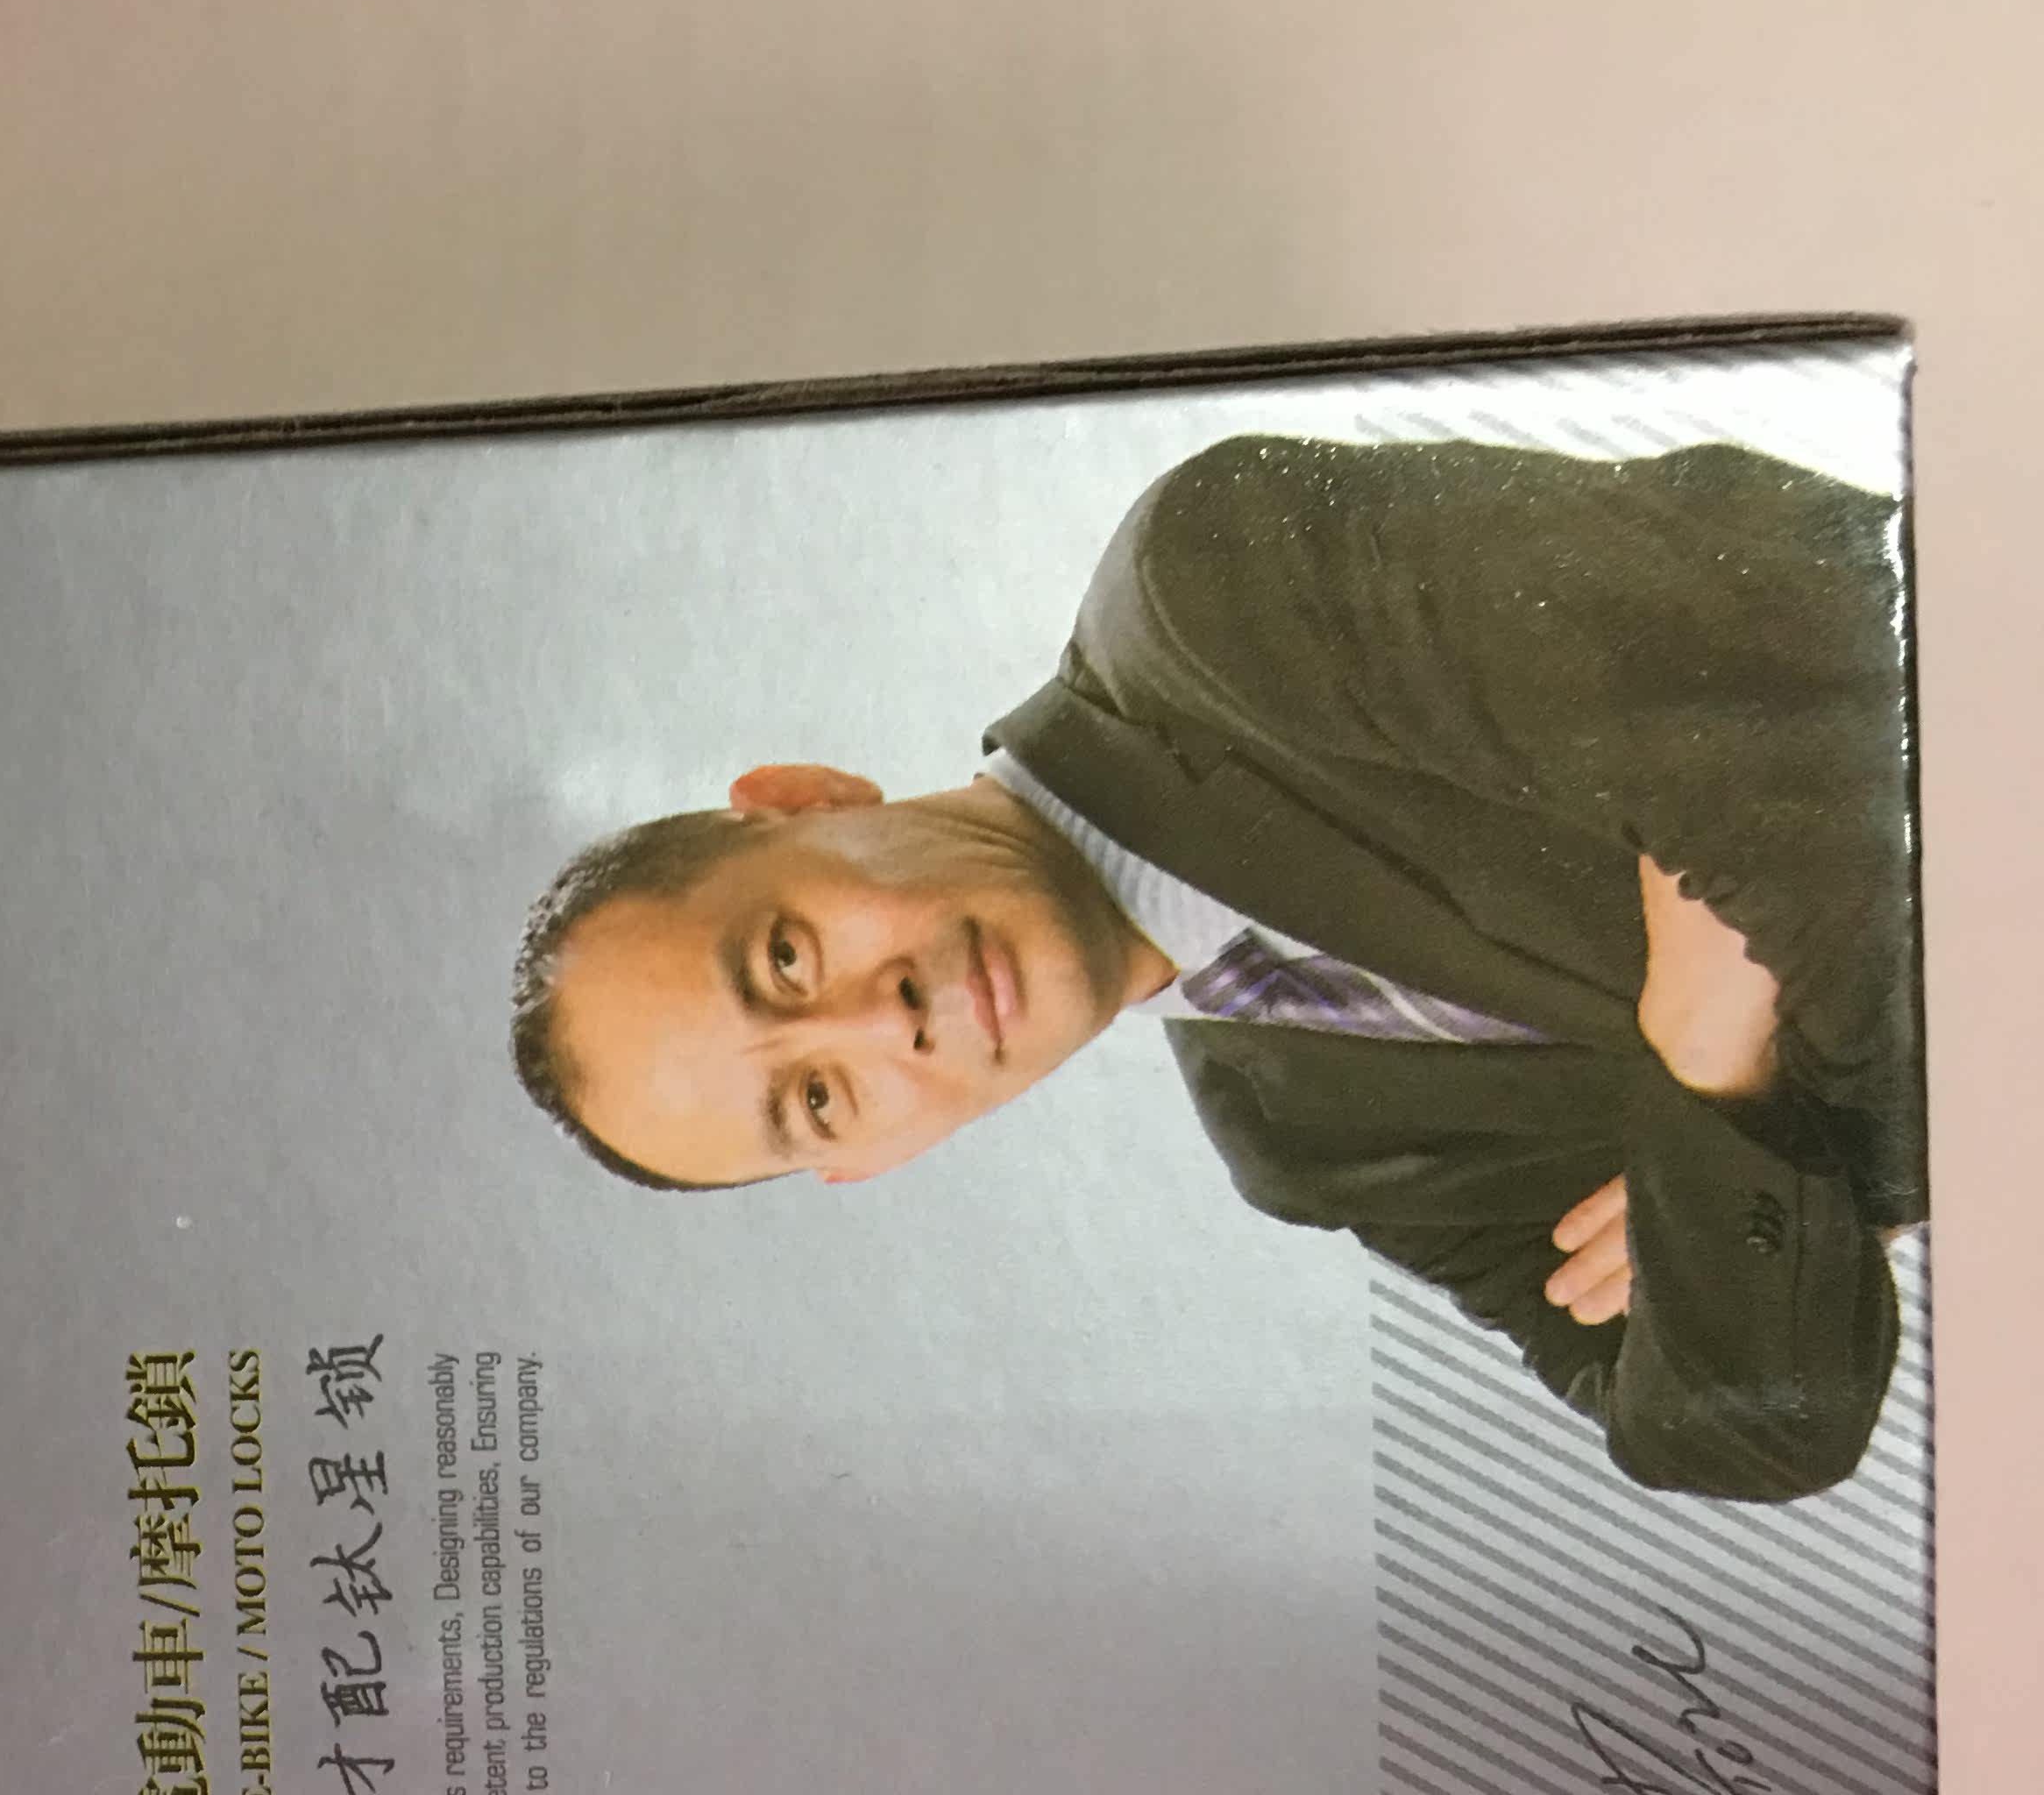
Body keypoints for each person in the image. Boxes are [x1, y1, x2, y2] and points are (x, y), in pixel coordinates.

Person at [507, 432, 1922, 1503]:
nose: (886, 1023)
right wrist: (1710, 1069)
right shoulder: (1302, 1143)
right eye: (819, 1099)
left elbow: (1801, 654)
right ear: (876, 1158)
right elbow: (1744, 1438)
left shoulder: (1208, 595)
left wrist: (1770, 1166)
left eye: (785, 956)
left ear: (807, 799)